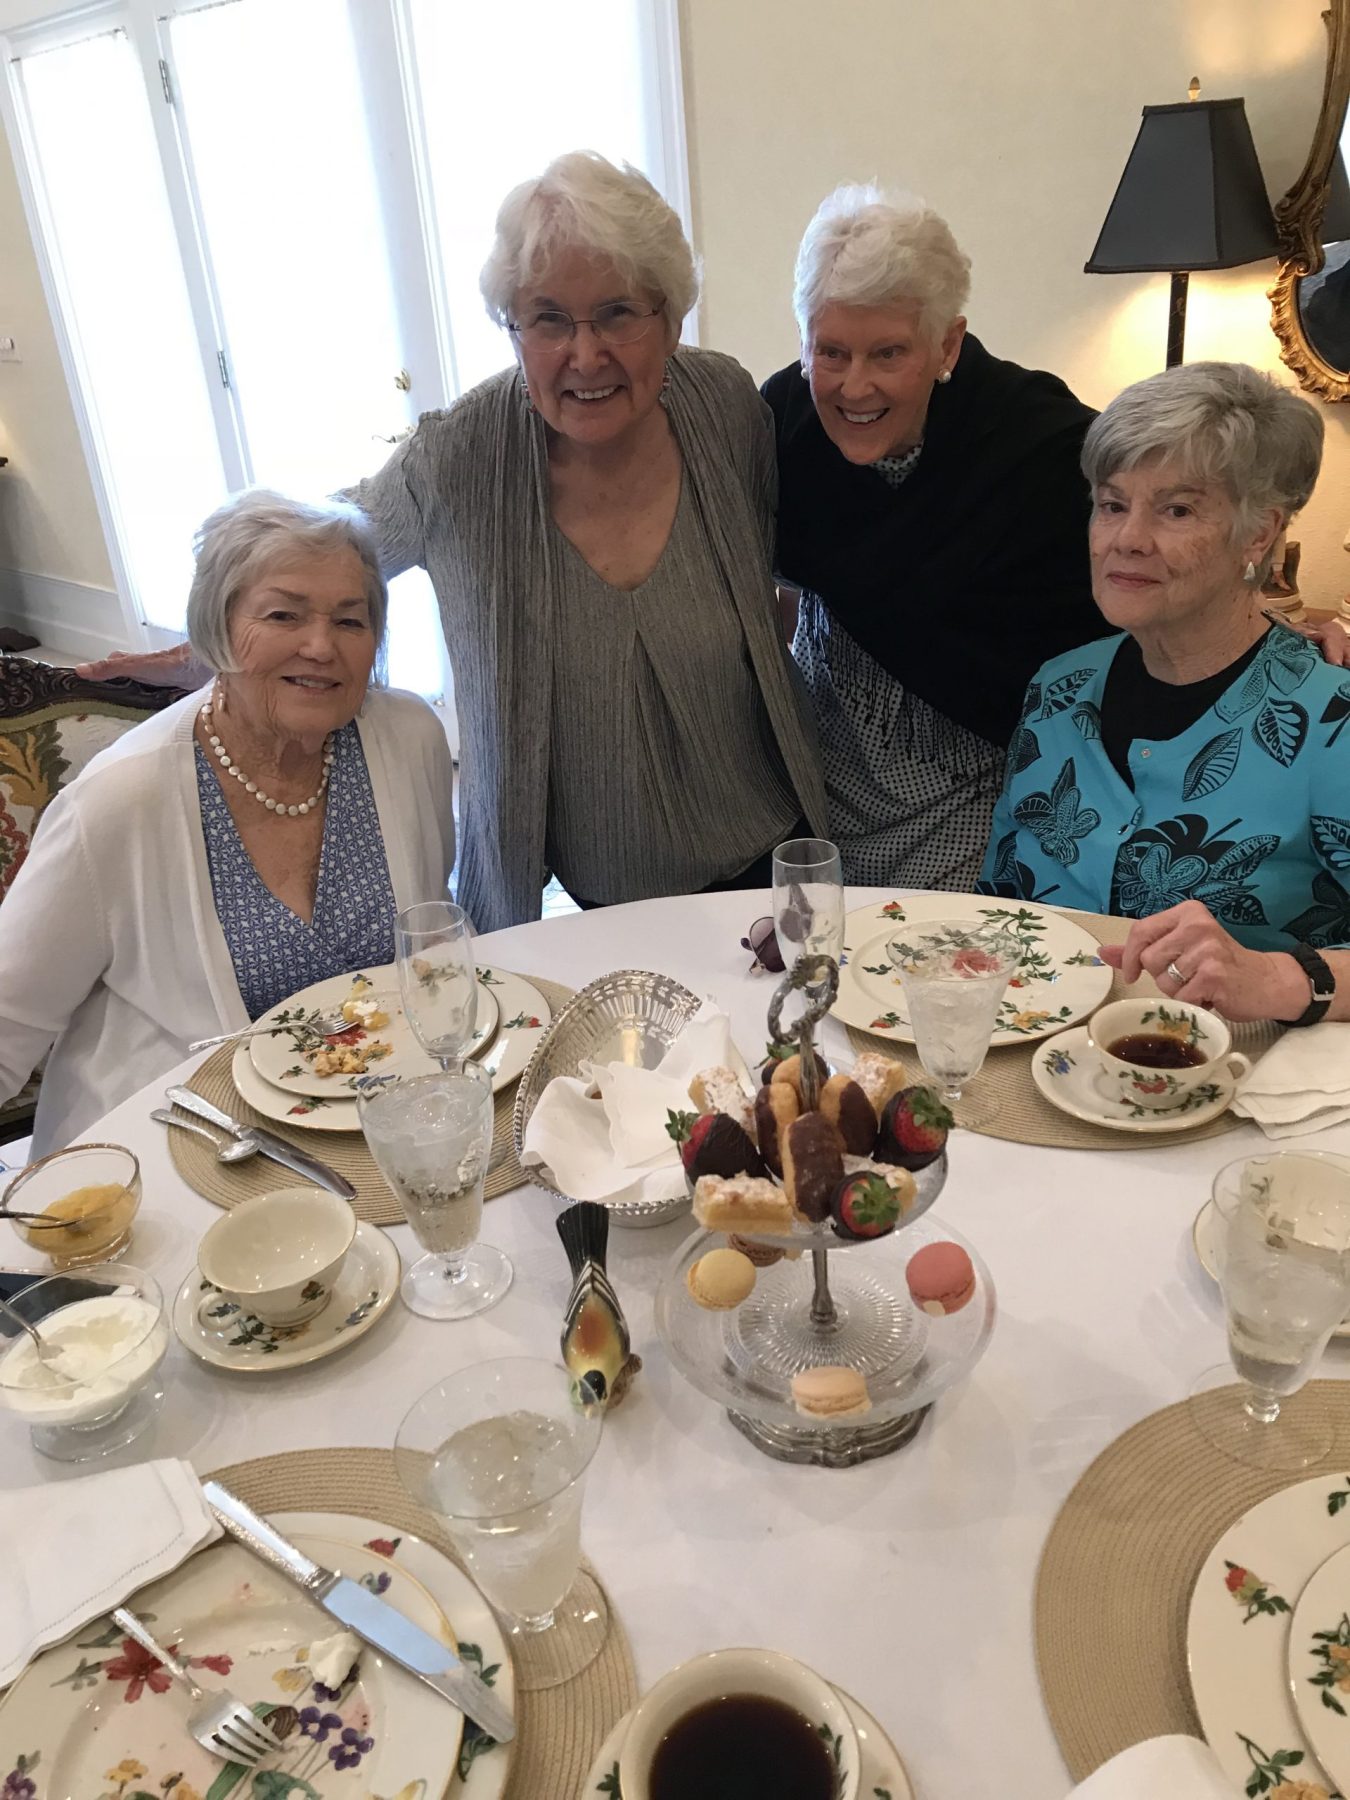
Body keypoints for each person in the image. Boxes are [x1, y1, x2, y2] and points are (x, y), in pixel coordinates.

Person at [80, 153, 826, 930]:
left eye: (617, 313)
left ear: (670, 319)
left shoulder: (726, 406)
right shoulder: (461, 458)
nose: (585, 354)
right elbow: (315, 546)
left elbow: (783, 570)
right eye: (547, 319)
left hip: (775, 857)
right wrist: (208, 642)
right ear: (512, 328)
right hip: (603, 903)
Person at [0, 491, 455, 1155]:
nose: (321, 645)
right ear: (216, 626)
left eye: (351, 621)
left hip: (376, 1132)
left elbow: (431, 938)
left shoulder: (410, 739)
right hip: (169, 1151)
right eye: (283, 614)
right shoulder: (117, 802)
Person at [977, 361, 1350, 1025]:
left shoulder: (1330, 721)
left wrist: (1273, 978)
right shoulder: (1058, 690)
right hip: (1042, 1069)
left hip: (1246, 1090)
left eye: (1176, 510)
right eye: (1112, 504)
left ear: (1258, 534)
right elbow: (1001, 901)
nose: (1127, 539)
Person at [762, 184, 1102, 890]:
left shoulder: (1042, 444)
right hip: (821, 771)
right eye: (832, 352)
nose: (854, 388)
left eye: (888, 354)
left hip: (978, 780)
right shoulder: (780, 423)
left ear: (948, 343)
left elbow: (1156, 549)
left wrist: (1268, 633)